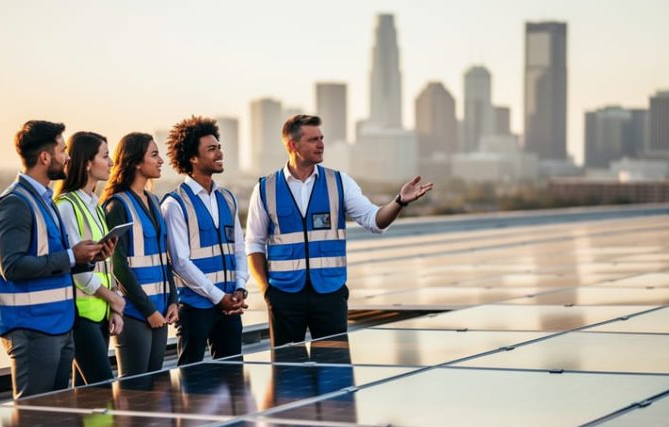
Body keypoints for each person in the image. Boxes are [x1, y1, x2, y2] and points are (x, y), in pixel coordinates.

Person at [245, 115, 433, 346]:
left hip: (330, 294)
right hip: (284, 296)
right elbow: (254, 244)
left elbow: (374, 221)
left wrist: (399, 202)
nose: (321, 144)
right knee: (287, 373)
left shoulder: (339, 182)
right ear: (293, 145)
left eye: (321, 138)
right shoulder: (266, 188)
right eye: (313, 139)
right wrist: (267, 291)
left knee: (335, 372)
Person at [0, 120, 111, 398]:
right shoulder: (15, 203)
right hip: (32, 329)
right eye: (63, 150)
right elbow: (13, 266)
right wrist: (72, 255)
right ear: (45, 157)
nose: (68, 157)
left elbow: (58, 261)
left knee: (58, 421)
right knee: (36, 421)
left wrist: (89, 258)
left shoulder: (44, 201)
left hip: (59, 326)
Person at [161, 116, 248, 365]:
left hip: (230, 305)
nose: (219, 153)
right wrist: (217, 296)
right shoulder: (175, 204)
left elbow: (238, 250)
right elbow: (180, 262)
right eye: (211, 149)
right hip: (195, 308)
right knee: (192, 381)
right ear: (192, 158)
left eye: (219, 147)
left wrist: (239, 288)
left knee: (233, 379)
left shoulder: (228, 198)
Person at [101, 133, 178, 377]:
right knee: (135, 391)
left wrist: (173, 300)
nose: (161, 160)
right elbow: (118, 265)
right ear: (135, 161)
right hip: (136, 314)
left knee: (156, 389)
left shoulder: (154, 201)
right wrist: (148, 311)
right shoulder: (117, 206)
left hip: (161, 310)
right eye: (154, 155)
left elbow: (164, 258)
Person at [54, 131, 125, 385]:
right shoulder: (66, 206)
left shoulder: (94, 204)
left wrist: (113, 307)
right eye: (105, 156)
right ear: (86, 163)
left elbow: (104, 264)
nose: (111, 163)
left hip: (100, 313)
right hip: (81, 316)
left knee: (88, 395)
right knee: (103, 390)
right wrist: (114, 300)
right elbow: (78, 270)